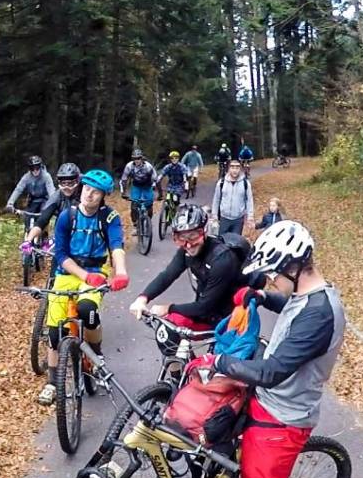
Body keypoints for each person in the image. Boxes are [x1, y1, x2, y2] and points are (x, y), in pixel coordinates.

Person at [186, 221, 345, 478]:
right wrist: (262, 297)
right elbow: (292, 308)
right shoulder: (309, 295)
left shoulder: (320, 315)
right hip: (270, 401)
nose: (271, 280)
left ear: (292, 268)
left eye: (273, 274)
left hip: (282, 417)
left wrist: (219, 361)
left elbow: (271, 372)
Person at [36, 169, 130, 405]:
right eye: (86, 189)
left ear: (103, 196)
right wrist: (84, 276)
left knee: (88, 310)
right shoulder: (67, 216)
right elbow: (61, 255)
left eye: (95, 192)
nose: (89, 194)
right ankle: (52, 383)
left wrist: (121, 272)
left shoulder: (109, 217)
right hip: (67, 274)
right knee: (55, 333)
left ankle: (96, 356)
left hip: (96, 271)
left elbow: (116, 246)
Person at [128, 204, 241, 333]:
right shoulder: (186, 251)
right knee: (169, 332)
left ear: (204, 231)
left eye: (193, 236)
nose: (188, 245)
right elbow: (167, 275)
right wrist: (142, 298)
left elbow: (204, 306)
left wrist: (168, 308)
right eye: (181, 238)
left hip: (230, 319)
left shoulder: (222, 260)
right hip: (206, 313)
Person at [22, 163, 81, 248]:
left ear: (77, 182)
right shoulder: (57, 196)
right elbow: (42, 221)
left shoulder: (85, 193)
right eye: (63, 183)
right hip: (63, 233)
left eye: (70, 184)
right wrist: (28, 241)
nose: (66, 187)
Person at [5, 156, 56, 231]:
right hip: (33, 200)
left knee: (43, 218)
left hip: (45, 200)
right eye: (32, 168)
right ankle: (28, 233)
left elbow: (51, 191)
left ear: (40, 167)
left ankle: (45, 234)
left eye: (37, 168)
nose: (35, 170)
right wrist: (10, 203)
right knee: (27, 218)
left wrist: (53, 205)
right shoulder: (26, 177)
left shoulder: (46, 176)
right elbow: (18, 189)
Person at [211, 160, 254, 235]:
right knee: (222, 240)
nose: (235, 170)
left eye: (237, 167)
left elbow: (249, 200)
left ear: (240, 169)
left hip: (238, 220)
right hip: (224, 219)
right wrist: (214, 216)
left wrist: (250, 216)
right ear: (228, 169)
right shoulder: (221, 183)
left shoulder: (245, 183)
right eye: (232, 167)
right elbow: (216, 200)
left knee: (235, 241)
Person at [119, 148, 159, 223]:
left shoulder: (148, 166)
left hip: (147, 186)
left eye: (138, 158)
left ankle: (148, 222)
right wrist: (123, 193)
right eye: (134, 158)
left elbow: (156, 179)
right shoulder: (129, 166)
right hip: (136, 186)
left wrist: (159, 192)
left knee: (149, 205)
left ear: (142, 158)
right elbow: (123, 180)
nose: (137, 160)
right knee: (134, 205)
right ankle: (135, 223)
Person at [158, 151, 189, 221]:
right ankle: (168, 216)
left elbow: (184, 175)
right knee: (168, 199)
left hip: (179, 185)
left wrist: (186, 184)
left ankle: (177, 212)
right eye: (172, 158)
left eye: (176, 158)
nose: (174, 159)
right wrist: (158, 179)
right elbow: (162, 174)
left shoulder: (182, 166)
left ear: (178, 159)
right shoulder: (168, 167)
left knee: (175, 199)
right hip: (171, 185)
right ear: (170, 159)